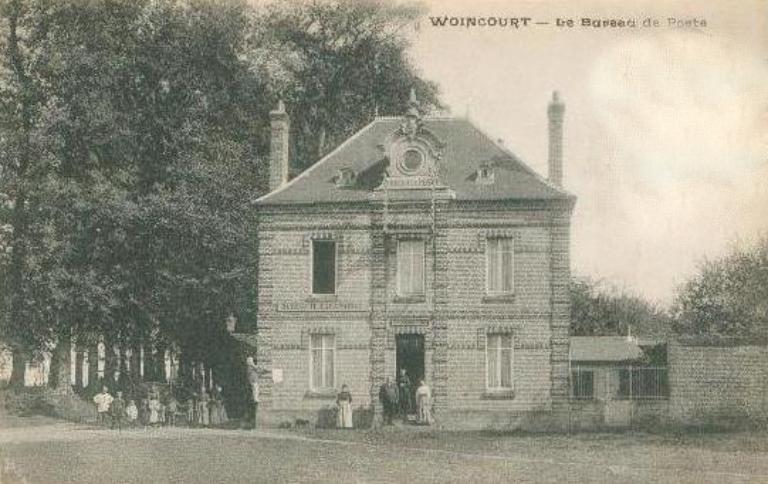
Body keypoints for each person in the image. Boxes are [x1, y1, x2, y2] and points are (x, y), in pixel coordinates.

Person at [246, 356, 260, 428]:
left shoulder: (250, 367)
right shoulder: (250, 367)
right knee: (255, 390)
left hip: (254, 381)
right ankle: (256, 399)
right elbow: (257, 368)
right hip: (254, 382)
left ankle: (256, 399)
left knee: (255, 390)